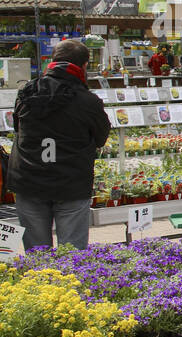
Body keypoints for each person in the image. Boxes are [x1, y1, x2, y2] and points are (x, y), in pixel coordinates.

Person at [7, 39, 110, 250]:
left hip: (29, 182)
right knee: (72, 259)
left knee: (37, 256)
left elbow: (18, 128)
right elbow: (101, 138)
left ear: (52, 61)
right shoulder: (88, 101)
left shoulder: (27, 92)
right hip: (71, 184)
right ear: (83, 66)